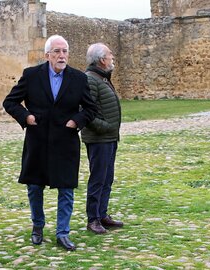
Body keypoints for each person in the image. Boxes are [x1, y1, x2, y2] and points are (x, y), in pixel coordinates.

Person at [3, 35, 97, 251]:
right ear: (47, 55)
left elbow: (91, 109)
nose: (61, 55)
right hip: (38, 141)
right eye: (56, 51)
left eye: (64, 51)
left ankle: (62, 233)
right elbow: (10, 102)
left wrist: (76, 121)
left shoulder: (78, 79)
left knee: (66, 189)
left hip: (66, 143)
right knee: (35, 187)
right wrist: (26, 117)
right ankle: (37, 226)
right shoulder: (31, 75)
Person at [81, 43, 123, 234]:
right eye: (109, 54)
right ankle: (93, 219)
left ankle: (102, 213)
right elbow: (86, 113)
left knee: (107, 178)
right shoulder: (91, 79)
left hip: (109, 138)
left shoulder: (102, 78)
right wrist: (106, 128)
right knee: (98, 178)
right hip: (99, 139)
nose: (112, 56)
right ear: (101, 59)